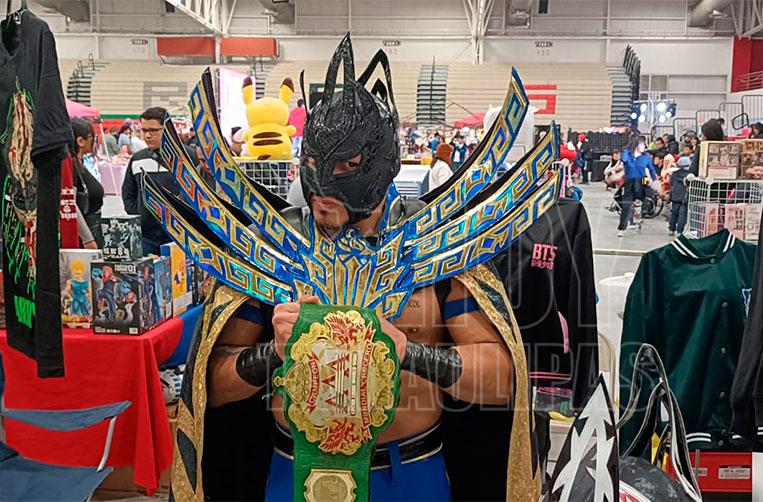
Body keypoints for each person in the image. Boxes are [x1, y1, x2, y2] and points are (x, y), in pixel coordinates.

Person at [177, 37, 532, 502]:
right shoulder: (270, 247)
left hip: (407, 475)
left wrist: (407, 351)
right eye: (312, 164)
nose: (323, 188)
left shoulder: (437, 248)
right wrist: (272, 354)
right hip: (291, 473)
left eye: (347, 166)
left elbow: (502, 380)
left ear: (382, 166)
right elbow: (211, 387)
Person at [121, 107, 196, 255]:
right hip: (146, 237)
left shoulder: (188, 157)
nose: (148, 136)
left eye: (153, 130)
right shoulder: (137, 159)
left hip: (181, 236)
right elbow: (128, 193)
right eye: (144, 130)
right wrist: (139, 215)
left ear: (167, 130)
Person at [70, 118, 105, 248]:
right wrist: (87, 239)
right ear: (80, 141)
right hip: (84, 237)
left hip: (91, 230)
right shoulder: (72, 166)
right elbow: (71, 203)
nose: (95, 142)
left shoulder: (79, 164)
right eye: (92, 137)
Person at [618, 138, 655, 237]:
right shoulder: (627, 154)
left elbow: (651, 169)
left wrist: (653, 179)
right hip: (629, 181)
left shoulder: (646, 157)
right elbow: (624, 160)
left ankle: (638, 219)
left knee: (642, 201)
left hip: (642, 181)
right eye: (642, 145)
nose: (644, 147)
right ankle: (622, 227)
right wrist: (628, 152)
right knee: (626, 205)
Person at [668, 156, 692, 236]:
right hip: (685, 197)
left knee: (674, 213)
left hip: (675, 196)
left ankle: (671, 229)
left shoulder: (675, 174)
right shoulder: (689, 175)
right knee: (683, 214)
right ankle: (679, 231)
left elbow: (671, 182)